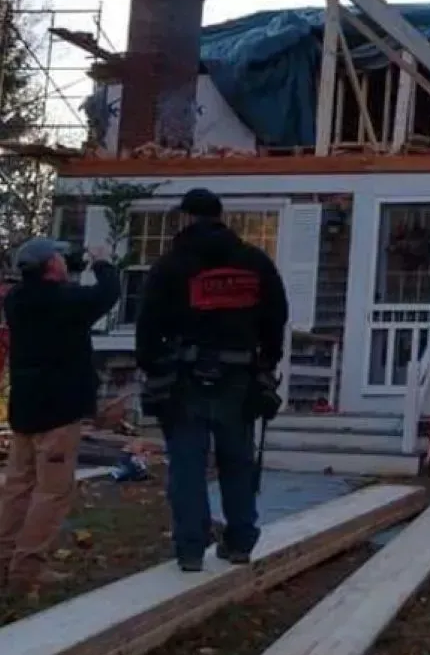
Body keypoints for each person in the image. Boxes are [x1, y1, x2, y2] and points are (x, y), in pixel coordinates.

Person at [135, 189, 288, 573]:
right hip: (240, 379)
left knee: (187, 464)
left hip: (184, 379)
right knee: (237, 461)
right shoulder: (254, 263)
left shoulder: (171, 265)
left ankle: (189, 549)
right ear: (221, 217)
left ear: (186, 218)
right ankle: (239, 542)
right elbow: (276, 316)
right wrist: (268, 362)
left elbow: (148, 323)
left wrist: (153, 368)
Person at [0, 238, 120, 592]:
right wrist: (101, 262)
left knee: (17, 488)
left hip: (25, 409)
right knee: (51, 491)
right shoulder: (63, 301)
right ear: (52, 264)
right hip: (58, 412)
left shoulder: (18, 300)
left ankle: (4, 559)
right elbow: (106, 294)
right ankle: (27, 571)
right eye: (60, 258)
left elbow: (70, 295)